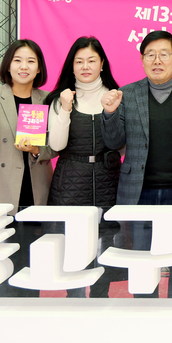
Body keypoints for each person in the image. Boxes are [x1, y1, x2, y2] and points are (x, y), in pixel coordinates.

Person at [99, 31, 172, 298]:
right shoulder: (126, 94)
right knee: (142, 262)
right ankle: (144, 313)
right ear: (142, 59)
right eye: (150, 55)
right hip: (139, 192)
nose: (157, 60)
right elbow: (114, 142)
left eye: (164, 54)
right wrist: (109, 113)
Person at [0, 39, 55, 297]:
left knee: (31, 267)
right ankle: (2, 316)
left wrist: (37, 149)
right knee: (1, 268)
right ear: (8, 65)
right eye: (18, 60)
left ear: (39, 68)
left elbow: (56, 146)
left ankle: (29, 316)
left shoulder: (47, 99)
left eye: (30, 61)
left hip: (33, 191)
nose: (23, 66)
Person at [46, 36, 122, 298]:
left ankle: (102, 296)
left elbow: (123, 144)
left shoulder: (115, 96)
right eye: (79, 61)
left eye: (91, 60)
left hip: (108, 179)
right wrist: (66, 109)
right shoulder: (59, 99)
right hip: (70, 180)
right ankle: (74, 298)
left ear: (102, 64)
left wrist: (111, 111)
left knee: (107, 242)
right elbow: (56, 145)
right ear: (72, 65)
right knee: (72, 243)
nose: (85, 66)